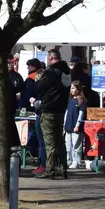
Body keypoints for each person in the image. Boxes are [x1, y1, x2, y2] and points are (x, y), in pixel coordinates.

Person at [34, 50, 71, 179]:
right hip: (61, 109)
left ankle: (50, 170)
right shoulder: (66, 71)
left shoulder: (50, 73)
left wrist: (39, 80)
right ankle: (62, 168)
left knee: (49, 142)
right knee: (60, 140)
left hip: (49, 109)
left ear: (50, 58)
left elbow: (39, 87)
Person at [65, 82, 88, 170]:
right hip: (68, 125)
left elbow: (81, 114)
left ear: (78, 89)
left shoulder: (81, 100)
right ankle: (69, 160)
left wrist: (77, 125)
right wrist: (64, 124)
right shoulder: (70, 100)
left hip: (76, 127)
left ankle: (76, 161)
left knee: (76, 145)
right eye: (71, 88)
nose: (71, 90)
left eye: (73, 88)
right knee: (68, 145)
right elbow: (67, 112)